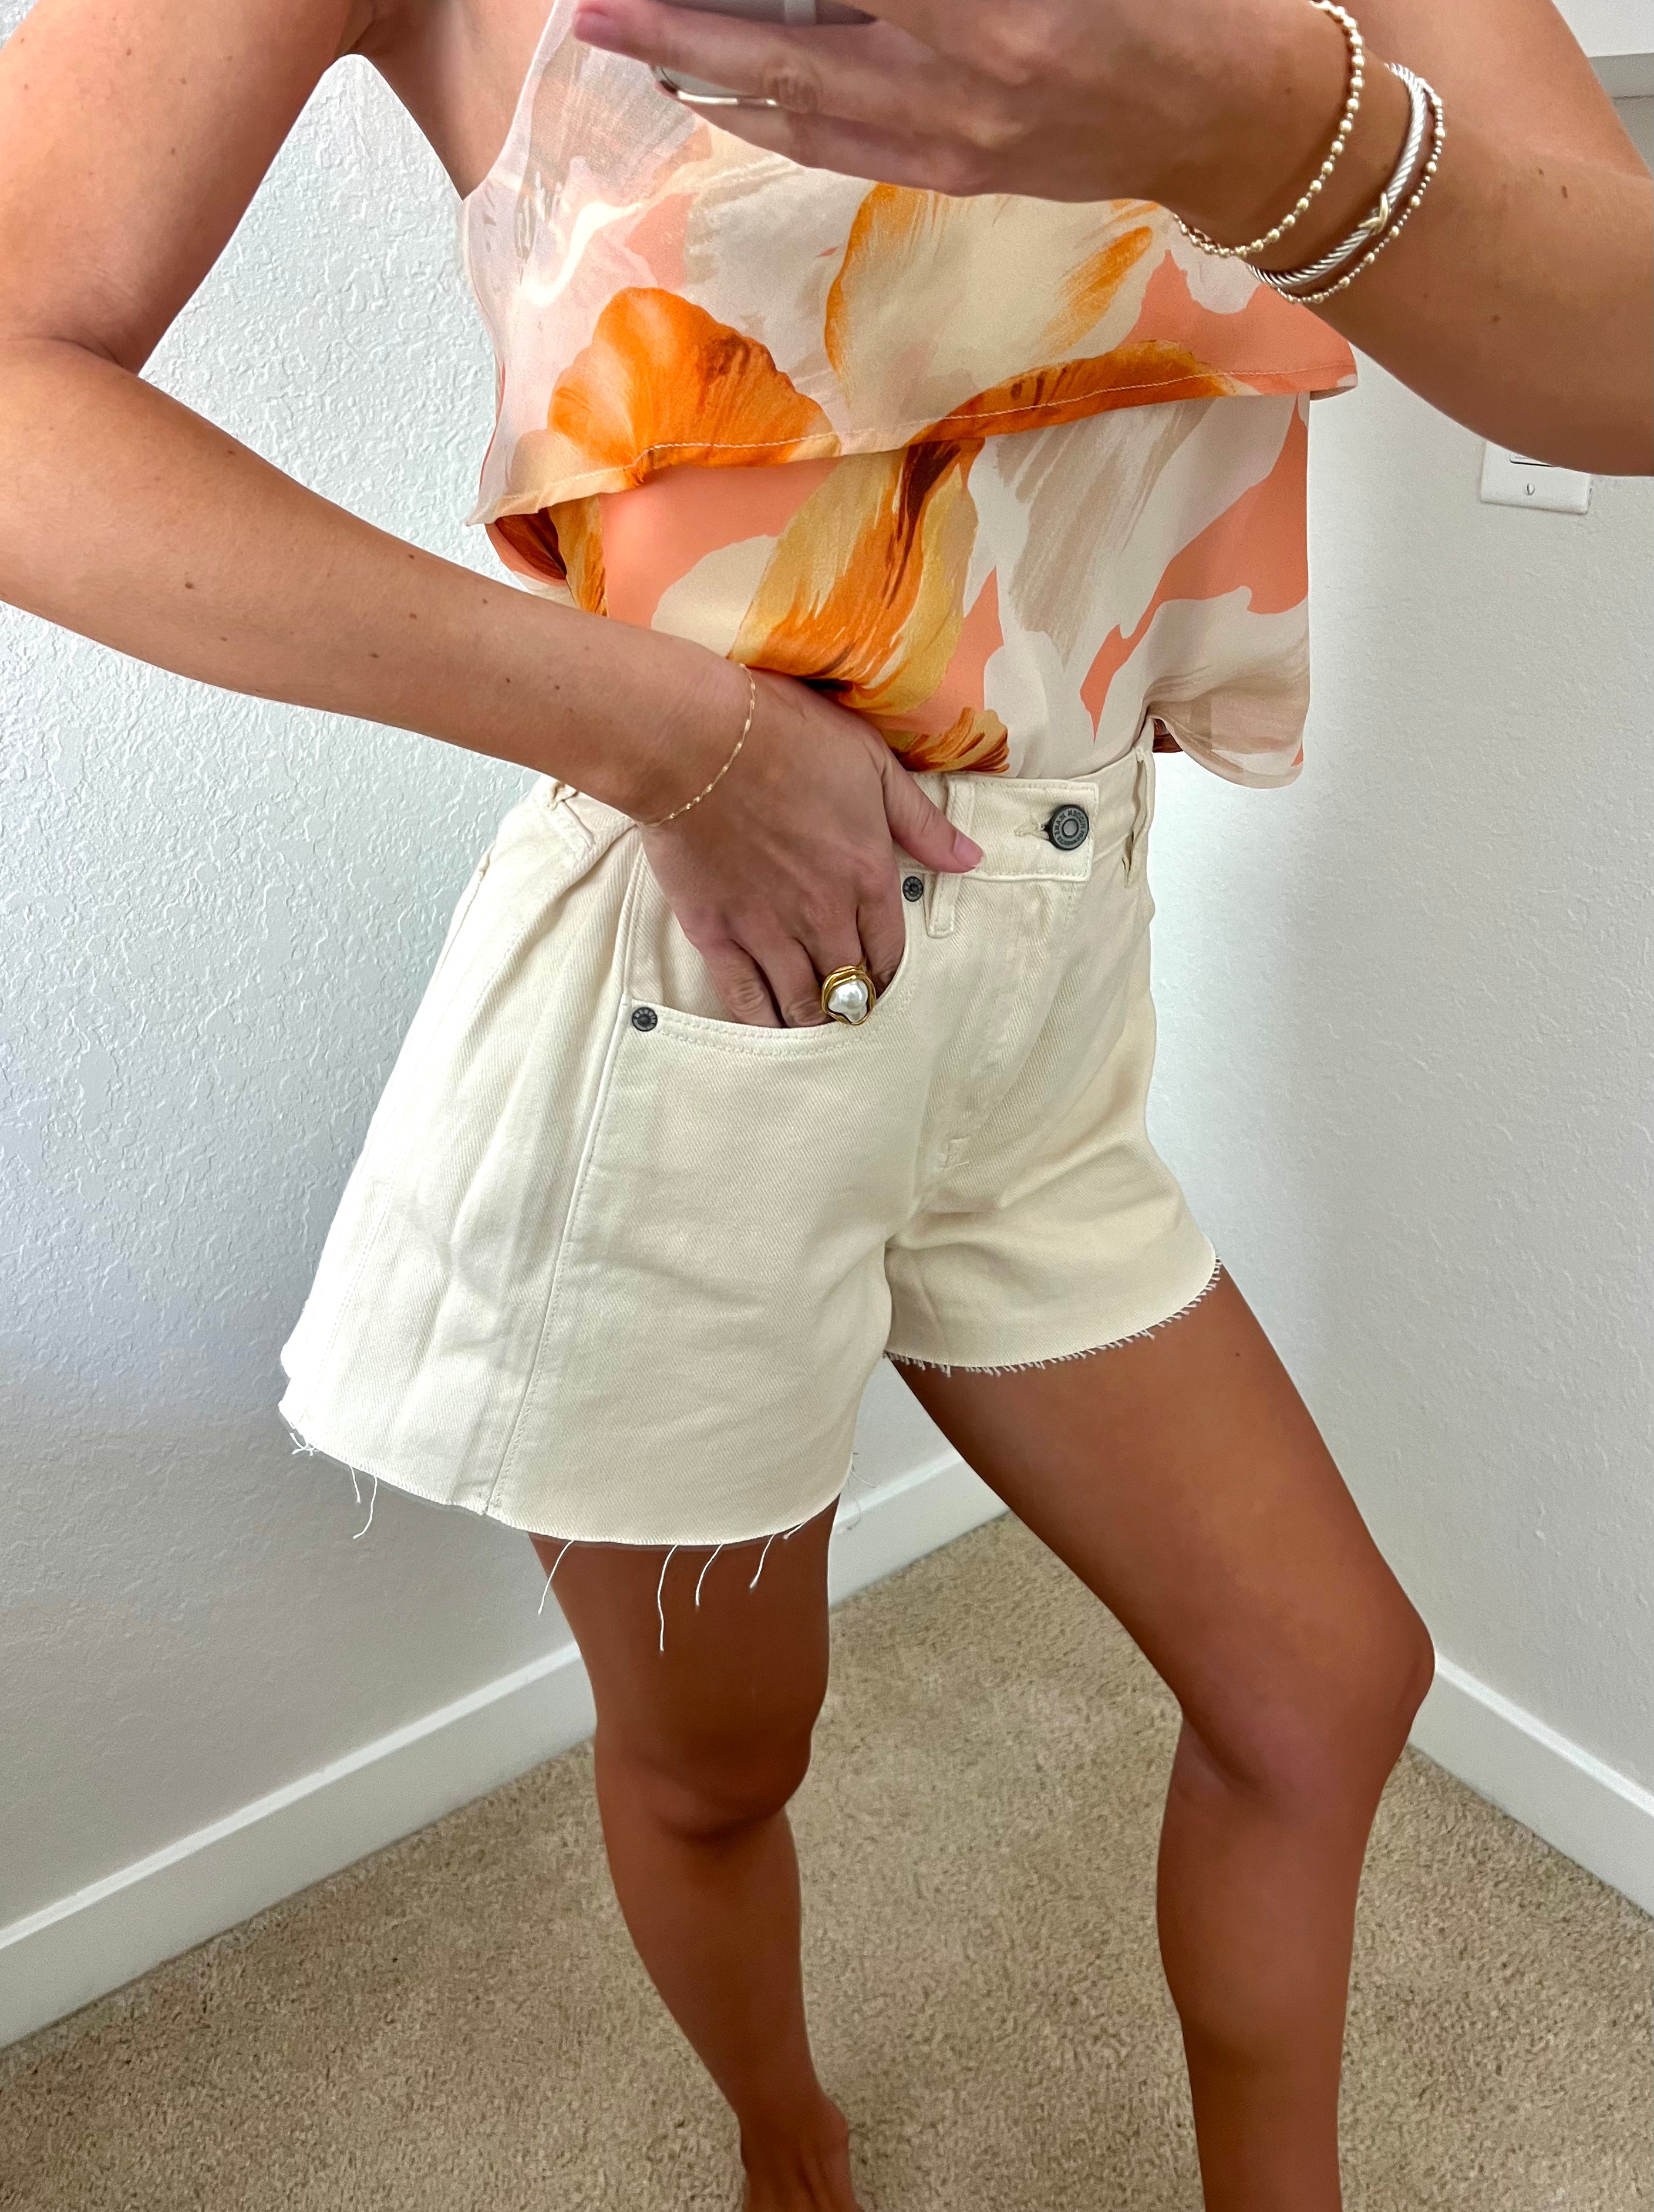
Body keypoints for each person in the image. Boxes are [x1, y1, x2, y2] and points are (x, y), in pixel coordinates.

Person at [0, 5, 1641, 2210]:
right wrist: (677, 743)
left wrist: (1247, 110)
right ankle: (791, 2155)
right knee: (717, 1755)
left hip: (1061, 968)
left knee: (1326, 1683)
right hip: (699, 997)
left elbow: (1621, 372)